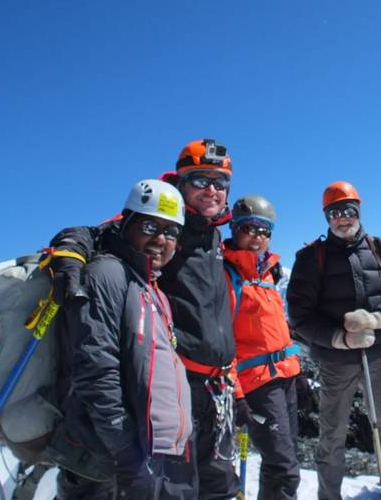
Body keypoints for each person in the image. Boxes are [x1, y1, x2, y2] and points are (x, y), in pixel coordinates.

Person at [47, 139, 240, 499]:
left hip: (210, 389)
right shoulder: (156, 216)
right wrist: (72, 248)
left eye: (221, 182)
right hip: (159, 387)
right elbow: (99, 233)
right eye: (200, 180)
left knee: (208, 484)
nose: (212, 190)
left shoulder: (215, 237)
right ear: (181, 182)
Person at [53, 179, 196, 499]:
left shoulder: (151, 289)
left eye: (171, 231)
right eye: (150, 225)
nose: (161, 239)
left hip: (152, 457)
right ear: (127, 223)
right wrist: (127, 454)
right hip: (110, 464)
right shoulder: (107, 274)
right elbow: (95, 368)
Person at [286, 181, 381, 500]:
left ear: (358, 211)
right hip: (335, 361)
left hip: (379, 357)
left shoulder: (379, 248)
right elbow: (300, 316)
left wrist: (379, 318)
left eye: (348, 210)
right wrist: (338, 339)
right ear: (326, 217)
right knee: (332, 434)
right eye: (334, 213)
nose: (342, 218)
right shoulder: (311, 258)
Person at [223, 195, 302, 500]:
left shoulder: (268, 273)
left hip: (285, 376)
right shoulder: (227, 275)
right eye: (250, 228)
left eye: (264, 230)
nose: (258, 237)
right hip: (255, 384)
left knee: (285, 457)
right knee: (284, 466)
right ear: (235, 229)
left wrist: (297, 371)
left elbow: (277, 331)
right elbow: (223, 340)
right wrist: (238, 395)